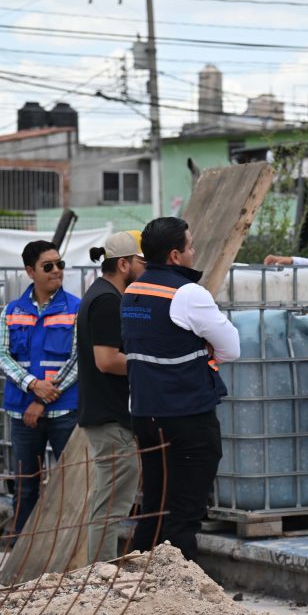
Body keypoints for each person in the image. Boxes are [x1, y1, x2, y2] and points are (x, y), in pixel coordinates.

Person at [122, 217, 240, 560]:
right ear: (175, 255)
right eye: (190, 247)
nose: (194, 252)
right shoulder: (188, 294)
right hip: (186, 414)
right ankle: (182, 589)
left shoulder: (134, 290)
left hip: (145, 412)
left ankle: (140, 580)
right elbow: (232, 347)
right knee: (185, 508)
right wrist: (204, 348)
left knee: (155, 503)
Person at [0, 240, 80, 537]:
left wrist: (44, 399)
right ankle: (22, 550)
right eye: (48, 266)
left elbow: (78, 358)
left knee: (72, 483)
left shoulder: (76, 308)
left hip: (64, 411)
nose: (57, 270)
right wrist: (32, 385)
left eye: (60, 264)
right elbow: (2, 355)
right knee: (25, 485)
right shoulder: (12, 311)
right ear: (30, 271)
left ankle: (68, 552)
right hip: (22, 412)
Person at [77, 231, 145, 564]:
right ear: (124, 264)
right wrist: (147, 363)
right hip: (109, 417)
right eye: (140, 262)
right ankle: (101, 570)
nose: (144, 269)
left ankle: (103, 566)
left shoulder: (101, 295)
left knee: (110, 498)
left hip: (107, 414)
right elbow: (106, 360)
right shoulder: (107, 300)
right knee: (111, 501)